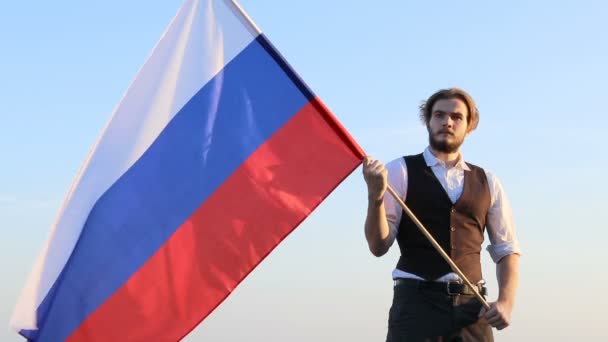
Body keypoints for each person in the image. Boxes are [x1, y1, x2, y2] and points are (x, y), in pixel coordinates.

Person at [362, 88, 521, 341]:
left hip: (472, 309)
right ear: (428, 121)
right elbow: (378, 245)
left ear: (469, 126)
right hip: (415, 308)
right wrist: (376, 198)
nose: (447, 122)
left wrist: (505, 301)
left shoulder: (488, 181)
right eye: (439, 115)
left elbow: (507, 250)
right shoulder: (399, 171)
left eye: (457, 117)